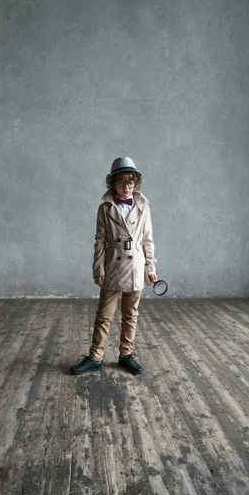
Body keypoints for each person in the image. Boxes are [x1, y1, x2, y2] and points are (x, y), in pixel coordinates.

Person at [70, 157, 157, 376]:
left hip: (136, 265)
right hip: (112, 264)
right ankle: (95, 356)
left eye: (130, 182)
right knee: (104, 314)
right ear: (112, 183)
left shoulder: (143, 207)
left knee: (131, 314)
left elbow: (148, 240)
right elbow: (99, 240)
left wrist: (151, 267)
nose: (126, 187)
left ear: (136, 183)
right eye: (121, 182)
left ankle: (126, 355)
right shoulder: (105, 208)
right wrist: (98, 268)